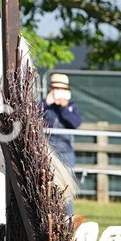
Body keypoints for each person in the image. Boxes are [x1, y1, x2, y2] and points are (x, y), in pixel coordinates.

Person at [41, 73, 82, 214]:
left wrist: (64, 107)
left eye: (62, 89)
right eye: (56, 89)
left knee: (66, 188)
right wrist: (46, 103)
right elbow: (34, 116)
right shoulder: (44, 106)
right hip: (48, 152)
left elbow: (75, 123)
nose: (59, 92)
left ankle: (67, 217)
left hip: (66, 153)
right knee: (46, 186)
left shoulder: (71, 107)